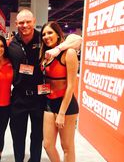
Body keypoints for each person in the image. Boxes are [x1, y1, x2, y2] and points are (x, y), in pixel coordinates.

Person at [8, 9, 82, 162]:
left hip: (39, 97)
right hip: (19, 97)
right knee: (18, 135)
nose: (25, 25)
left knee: (38, 136)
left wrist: (58, 48)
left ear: (34, 21)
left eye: (28, 21)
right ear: (16, 24)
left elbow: (77, 39)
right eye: (21, 22)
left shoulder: (43, 40)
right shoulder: (11, 43)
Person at [40, 21, 79, 162]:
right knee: (48, 145)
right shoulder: (45, 54)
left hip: (66, 105)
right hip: (49, 102)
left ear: (58, 34)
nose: (46, 36)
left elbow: (71, 86)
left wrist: (62, 113)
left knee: (67, 147)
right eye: (43, 34)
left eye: (50, 32)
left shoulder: (68, 53)